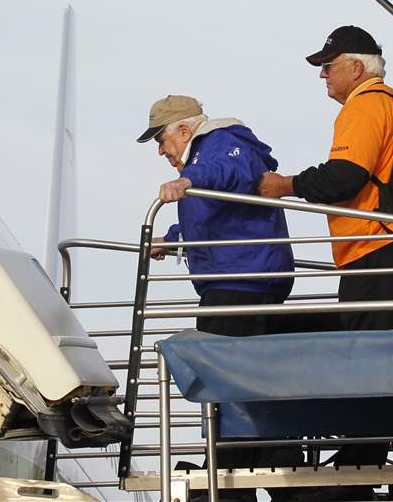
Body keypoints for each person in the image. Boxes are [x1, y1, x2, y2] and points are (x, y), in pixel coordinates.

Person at [257, 26, 393, 493]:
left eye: (328, 65)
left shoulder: (365, 104)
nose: (323, 75)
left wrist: (285, 185)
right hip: (385, 247)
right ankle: (366, 453)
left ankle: (361, 459)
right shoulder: (390, 104)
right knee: (379, 358)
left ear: (356, 68)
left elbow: (344, 176)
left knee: (367, 358)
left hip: (374, 248)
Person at [139, 94, 296, 494]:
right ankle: (240, 460)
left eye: (161, 140)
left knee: (228, 377)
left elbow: (226, 171)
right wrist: (173, 239)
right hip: (234, 279)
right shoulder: (205, 157)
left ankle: (235, 465)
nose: (161, 151)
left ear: (184, 130)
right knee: (235, 377)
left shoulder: (222, 143)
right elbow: (215, 214)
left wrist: (186, 180)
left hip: (242, 282)